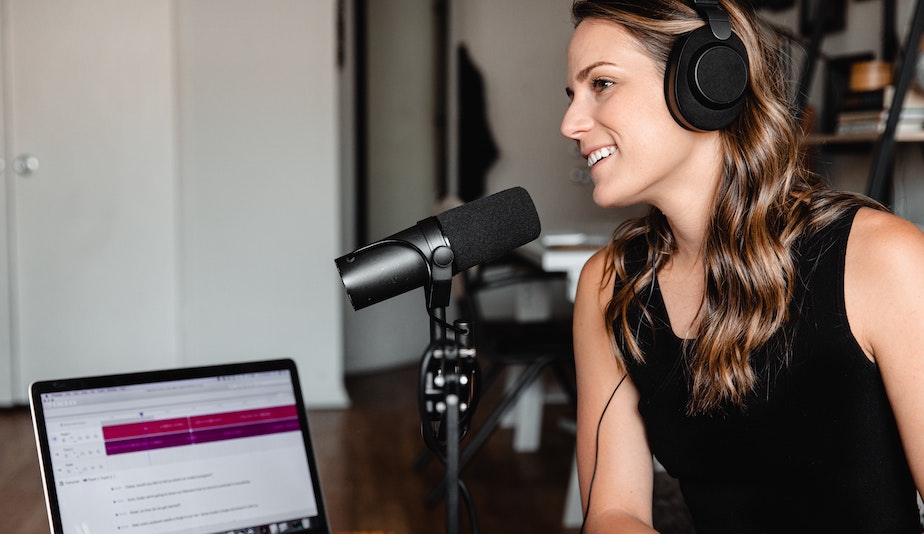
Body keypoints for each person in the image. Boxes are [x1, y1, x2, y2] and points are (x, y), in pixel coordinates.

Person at [560, 0, 924, 532]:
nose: (571, 122)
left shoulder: (881, 259)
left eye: (603, 85)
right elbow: (615, 511)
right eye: (572, 95)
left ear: (709, 80)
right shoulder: (611, 285)